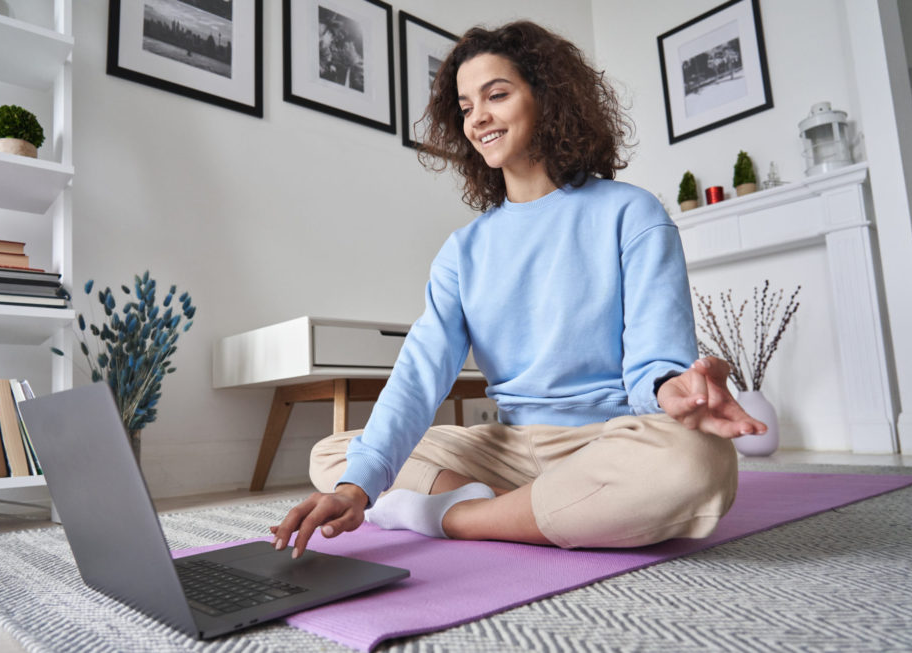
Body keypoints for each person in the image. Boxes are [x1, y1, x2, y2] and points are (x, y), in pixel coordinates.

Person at [272, 21, 766, 558]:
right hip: (505, 446)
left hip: (607, 437)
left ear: (548, 98)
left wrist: (676, 389)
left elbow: (656, 363)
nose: (478, 117)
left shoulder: (632, 213)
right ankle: (542, 507)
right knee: (337, 455)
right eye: (465, 106)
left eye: (497, 95)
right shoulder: (463, 251)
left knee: (698, 460)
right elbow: (419, 375)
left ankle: (457, 516)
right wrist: (356, 486)